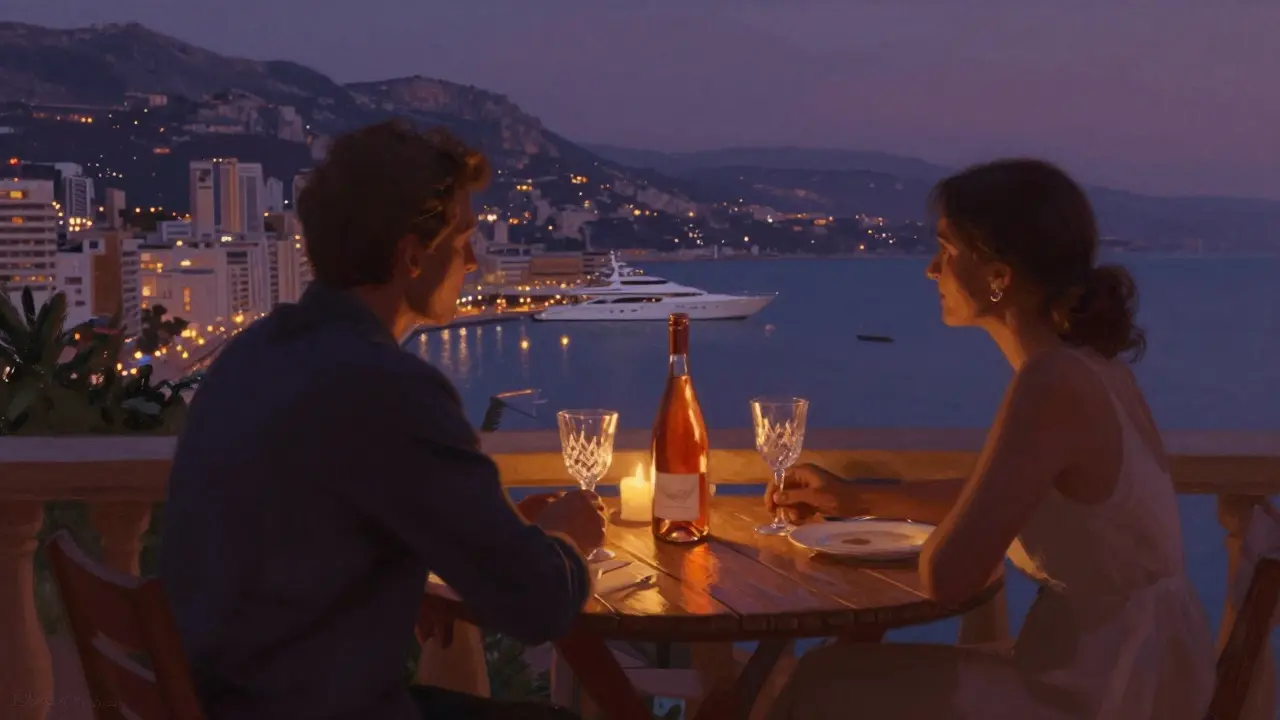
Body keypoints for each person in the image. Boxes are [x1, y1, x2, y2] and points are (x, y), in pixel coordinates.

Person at [160, 120, 605, 720]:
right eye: (464, 238)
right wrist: (569, 537)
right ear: (412, 255)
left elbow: (322, 531)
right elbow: (537, 606)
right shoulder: (387, 388)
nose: (474, 260)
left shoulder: (255, 353)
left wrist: (487, 534)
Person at [765, 159, 1215, 719]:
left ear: (999, 274)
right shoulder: (1094, 370)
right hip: (1143, 672)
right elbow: (1015, 497)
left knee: (823, 683)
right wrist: (857, 500)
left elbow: (946, 576)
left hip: (1096, 693)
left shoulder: (1051, 382)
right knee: (831, 677)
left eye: (948, 251)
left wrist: (898, 545)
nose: (932, 270)